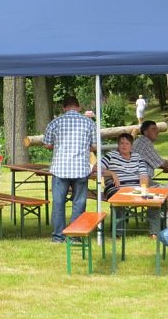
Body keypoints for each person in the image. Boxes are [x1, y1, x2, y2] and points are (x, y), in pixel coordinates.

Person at [43, 95, 96, 244]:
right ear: (78, 107)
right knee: (79, 203)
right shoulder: (88, 123)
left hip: (60, 168)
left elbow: (46, 143)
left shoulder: (55, 122)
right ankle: (75, 235)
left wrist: (58, 145)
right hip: (80, 169)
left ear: (64, 108)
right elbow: (94, 145)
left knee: (58, 203)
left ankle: (58, 236)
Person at [102, 132, 159, 235]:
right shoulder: (111, 155)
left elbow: (143, 176)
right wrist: (111, 173)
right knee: (118, 199)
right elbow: (95, 169)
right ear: (118, 145)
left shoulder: (137, 157)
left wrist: (143, 189)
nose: (124, 146)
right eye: (121, 143)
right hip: (117, 187)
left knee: (154, 200)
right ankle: (118, 233)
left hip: (135, 188)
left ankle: (154, 232)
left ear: (131, 146)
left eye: (127, 143)